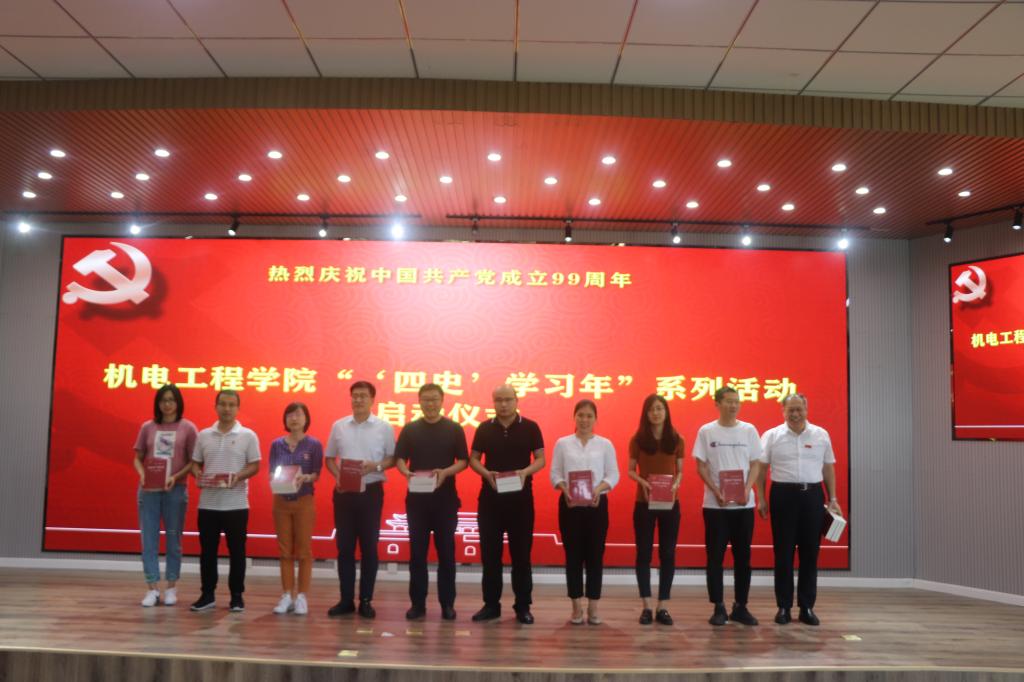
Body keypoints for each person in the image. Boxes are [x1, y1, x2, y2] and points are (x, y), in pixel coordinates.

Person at [757, 393, 842, 627]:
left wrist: (833, 498)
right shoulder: (772, 436)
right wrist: (761, 498)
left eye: (799, 409)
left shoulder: (820, 434)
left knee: (810, 554)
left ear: (806, 409)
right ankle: (783, 607)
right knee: (783, 554)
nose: (795, 414)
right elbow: (761, 469)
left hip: (812, 497)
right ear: (783, 411)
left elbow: (828, 468)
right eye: (790, 410)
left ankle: (806, 607)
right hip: (782, 496)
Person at [468, 385, 545, 625]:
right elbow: (473, 459)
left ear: (516, 400)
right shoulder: (484, 428)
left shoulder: (530, 427)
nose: (503, 404)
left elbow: (541, 459)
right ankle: (491, 605)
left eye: (508, 399)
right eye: (499, 400)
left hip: (521, 501)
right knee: (490, 556)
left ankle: (523, 606)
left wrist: (525, 472)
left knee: (521, 556)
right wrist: (486, 473)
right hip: (490, 501)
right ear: (493, 402)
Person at [394, 383, 468, 621]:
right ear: (419, 401)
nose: (430, 404)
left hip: (445, 501)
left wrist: (445, 472)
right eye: (426, 399)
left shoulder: (454, 428)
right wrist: (406, 472)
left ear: (442, 400)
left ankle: (447, 604)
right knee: (417, 554)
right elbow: (400, 459)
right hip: (417, 502)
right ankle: (418, 604)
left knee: (446, 554)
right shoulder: (410, 429)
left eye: (435, 399)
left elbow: (464, 461)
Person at [692, 386, 764, 627]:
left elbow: (756, 464)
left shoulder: (749, 430)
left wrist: (746, 489)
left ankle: (741, 606)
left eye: (737, 401)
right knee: (715, 558)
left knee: (743, 558)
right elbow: (701, 466)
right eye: (729, 401)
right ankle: (718, 607)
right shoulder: (707, 431)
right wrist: (715, 490)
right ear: (717, 404)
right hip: (716, 507)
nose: (734, 405)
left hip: (744, 506)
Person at [324, 381, 395, 619]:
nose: (358, 400)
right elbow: (329, 459)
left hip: (371, 493)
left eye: (363, 396)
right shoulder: (339, 426)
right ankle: (346, 600)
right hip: (344, 493)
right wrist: (338, 477)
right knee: (344, 548)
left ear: (372, 399)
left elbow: (392, 459)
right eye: (355, 396)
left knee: (369, 548)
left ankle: (365, 600)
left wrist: (375, 466)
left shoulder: (384, 427)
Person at [189, 390, 260, 613]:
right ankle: (207, 594)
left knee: (237, 552)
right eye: (222, 404)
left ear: (238, 408)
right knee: (207, 552)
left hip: (236, 505)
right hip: (208, 504)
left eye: (231, 405)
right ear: (216, 406)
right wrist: (197, 474)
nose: (227, 409)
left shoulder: (248, 435)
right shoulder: (204, 435)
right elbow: (195, 463)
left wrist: (238, 476)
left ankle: (236, 596)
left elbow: (255, 465)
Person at [549, 399, 618, 625]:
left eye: (589, 416)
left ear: (595, 419)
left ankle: (593, 607)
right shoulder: (563, 443)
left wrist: (598, 489)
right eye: (580, 415)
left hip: (597, 505)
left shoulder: (605, 444)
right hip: (570, 506)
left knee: (595, 556)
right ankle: (576, 606)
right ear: (574, 417)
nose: (584, 420)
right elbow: (555, 474)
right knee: (573, 556)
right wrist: (564, 489)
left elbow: (613, 475)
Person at [132, 384, 198, 607]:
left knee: (173, 539)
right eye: (163, 400)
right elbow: (137, 458)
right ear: (157, 403)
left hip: (175, 490)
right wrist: (143, 474)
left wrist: (175, 476)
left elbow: (193, 461)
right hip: (149, 491)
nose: (167, 404)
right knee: (148, 539)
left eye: (171, 400)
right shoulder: (147, 427)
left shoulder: (188, 428)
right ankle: (152, 588)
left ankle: (171, 587)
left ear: (178, 403)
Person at [626, 394, 683, 625]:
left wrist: (677, 483)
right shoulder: (638, 439)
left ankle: (663, 606)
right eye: (651, 410)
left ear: (666, 411)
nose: (656, 413)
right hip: (644, 503)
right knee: (644, 554)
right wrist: (643, 482)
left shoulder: (676, 439)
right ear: (646, 414)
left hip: (670, 503)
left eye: (659, 408)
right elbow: (630, 470)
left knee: (668, 553)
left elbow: (680, 470)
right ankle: (647, 606)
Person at [268, 402, 323, 616]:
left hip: (304, 500)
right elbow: (272, 471)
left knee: (304, 551)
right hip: (281, 501)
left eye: (299, 414)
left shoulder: (314, 444)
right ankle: (287, 595)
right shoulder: (276, 444)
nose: (294, 418)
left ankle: (301, 596)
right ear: (285, 419)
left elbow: (316, 473)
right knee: (284, 551)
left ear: (306, 419)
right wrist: (274, 479)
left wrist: (306, 477)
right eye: (290, 414)